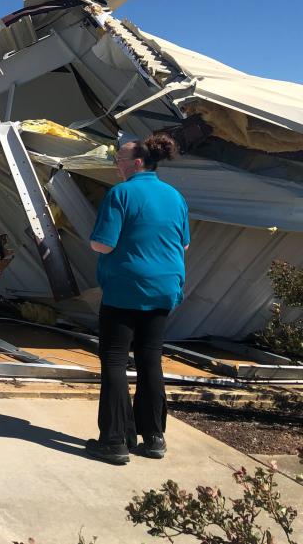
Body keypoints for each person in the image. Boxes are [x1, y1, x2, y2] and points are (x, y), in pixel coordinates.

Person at [84, 133, 189, 465]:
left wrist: (97, 244)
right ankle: (154, 436)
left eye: (119, 161)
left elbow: (104, 244)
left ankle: (115, 440)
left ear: (137, 162)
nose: (117, 166)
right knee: (149, 359)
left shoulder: (121, 194)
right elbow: (183, 244)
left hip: (126, 288)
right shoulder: (175, 196)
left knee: (115, 360)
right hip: (165, 288)